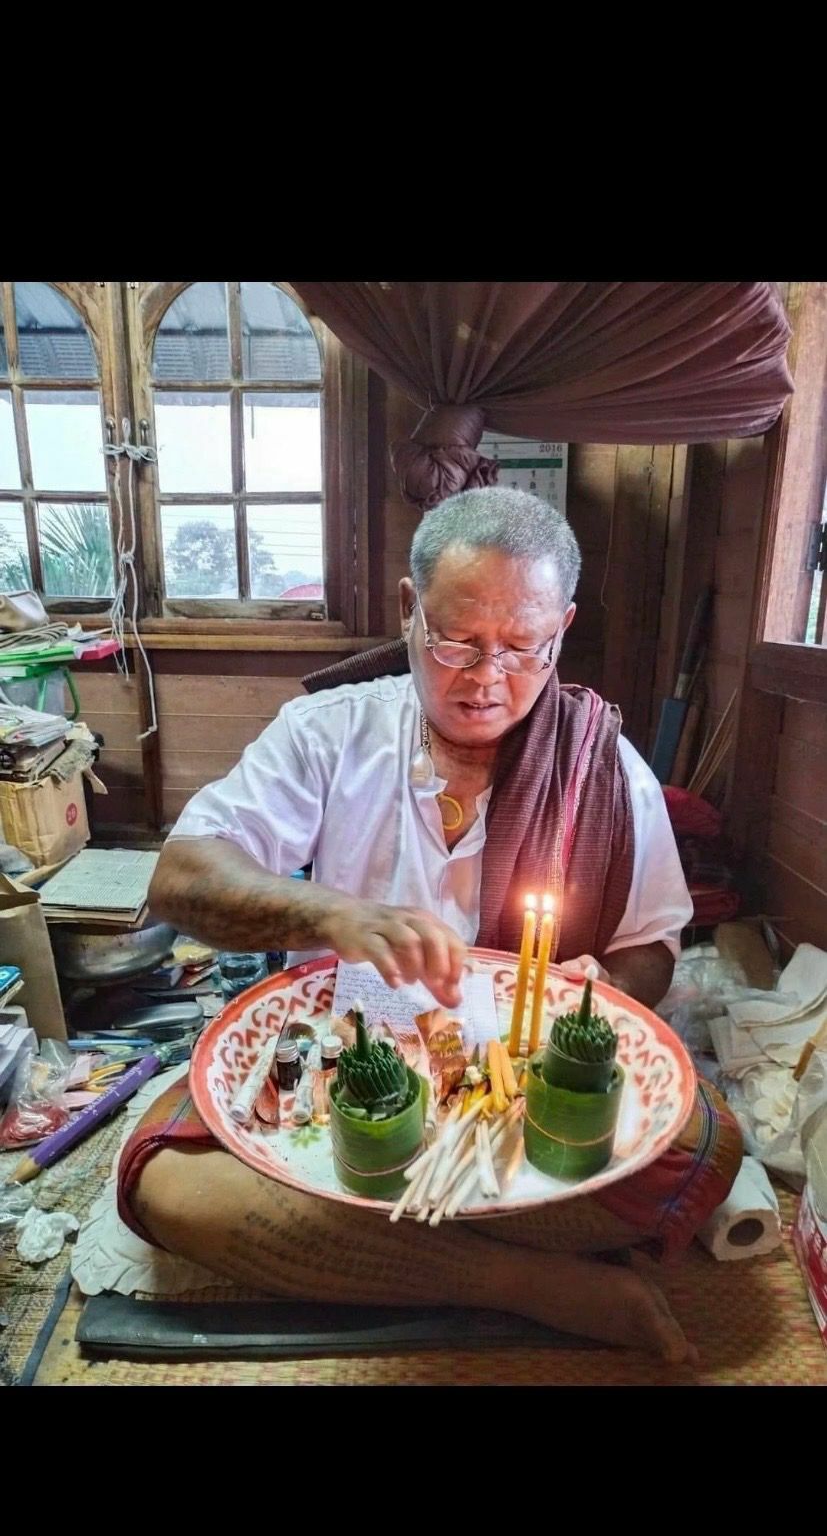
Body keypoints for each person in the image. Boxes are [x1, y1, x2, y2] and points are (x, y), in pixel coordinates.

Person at [119, 487, 741, 1364]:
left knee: (705, 1145)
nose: (488, 678)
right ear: (409, 610)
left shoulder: (600, 762)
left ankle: (389, 1247)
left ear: (561, 628)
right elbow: (179, 875)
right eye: (458, 641)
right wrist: (331, 911)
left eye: (524, 646)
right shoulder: (328, 736)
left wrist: (600, 991)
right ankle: (524, 1282)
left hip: (515, 1084)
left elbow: (653, 942)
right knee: (168, 1184)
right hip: (343, 1073)